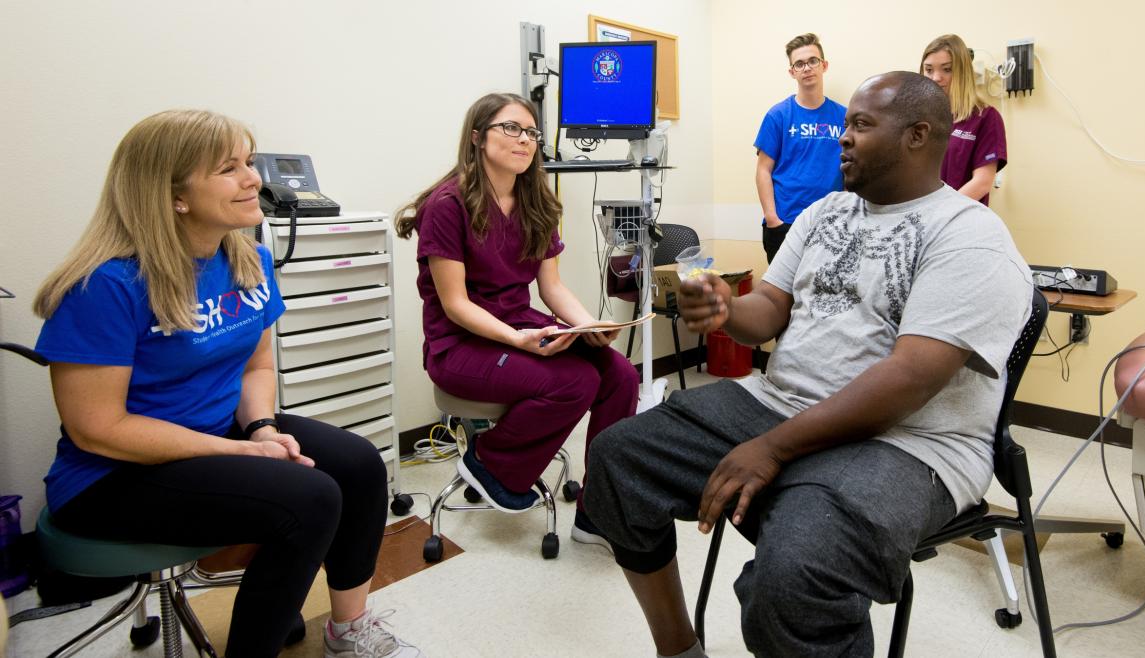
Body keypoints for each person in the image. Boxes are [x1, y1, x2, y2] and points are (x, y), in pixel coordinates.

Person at [584, 72, 1034, 657]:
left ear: (918, 135)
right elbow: (769, 310)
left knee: (795, 578)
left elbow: (909, 380)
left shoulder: (969, 236)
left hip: (909, 443)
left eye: (861, 126)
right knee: (619, 458)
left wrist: (771, 449)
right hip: (780, 404)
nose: (842, 138)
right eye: (846, 125)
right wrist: (727, 308)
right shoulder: (826, 212)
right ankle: (679, 648)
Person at [32, 110, 421, 658]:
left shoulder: (248, 258)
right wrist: (239, 449)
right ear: (173, 197)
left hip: (217, 437)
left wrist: (260, 427)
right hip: (111, 476)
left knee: (357, 464)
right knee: (310, 499)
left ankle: (348, 630)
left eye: (247, 162)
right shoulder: (105, 285)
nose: (254, 178)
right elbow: (98, 429)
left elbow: (256, 367)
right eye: (228, 168)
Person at [394, 92, 639, 547]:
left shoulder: (536, 203)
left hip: (520, 325)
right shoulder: (447, 206)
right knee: (575, 381)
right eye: (510, 128)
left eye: (531, 132)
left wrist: (588, 326)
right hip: (460, 345)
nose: (524, 139)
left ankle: (598, 512)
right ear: (476, 137)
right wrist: (517, 338)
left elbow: (552, 288)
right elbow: (454, 304)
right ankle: (491, 462)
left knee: (620, 375)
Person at [754, 33, 847, 263]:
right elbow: (763, 170)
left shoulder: (844, 117)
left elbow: (853, 167)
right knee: (783, 298)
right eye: (799, 64)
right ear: (792, 72)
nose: (807, 68)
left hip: (831, 225)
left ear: (824, 65)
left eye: (813, 61)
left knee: (828, 298)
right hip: (786, 224)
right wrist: (773, 219)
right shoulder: (778, 115)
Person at [920, 34, 1007, 206]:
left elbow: (982, 182)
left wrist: (941, 212)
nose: (936, 77)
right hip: (919, 218)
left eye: (947, 69)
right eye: (929, 70)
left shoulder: (986, 118)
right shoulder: (917, 115)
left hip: (959, 218)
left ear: (963, 72)